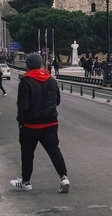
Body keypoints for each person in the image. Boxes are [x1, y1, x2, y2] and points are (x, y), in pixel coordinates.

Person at [11, 54, 70, 193]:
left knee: (27, 153)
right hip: (50, 123)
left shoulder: (26, 82)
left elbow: (23, 106)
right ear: (41, 65)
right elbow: (57, 101)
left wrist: (21, 122)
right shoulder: (51, 80)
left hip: (31, 125)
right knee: (54, 150)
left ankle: (26, 181)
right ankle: (64, 177)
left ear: (28, 66)